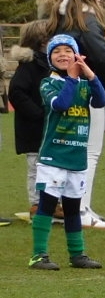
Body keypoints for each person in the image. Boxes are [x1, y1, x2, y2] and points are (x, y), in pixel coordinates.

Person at [43, 0, 105, 229]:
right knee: (89, 151)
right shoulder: (87, 21)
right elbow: (102, 56)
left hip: (64, 88)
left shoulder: (61, 19)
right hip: (85, 91)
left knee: (70, 150)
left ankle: (71, 207)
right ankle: (80, 209)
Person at [29, 34, 105, 270]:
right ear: (50, 58)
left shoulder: (83, 83)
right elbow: (61, 104)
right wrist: (72, 78)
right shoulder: (48, 83)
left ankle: (77, 255)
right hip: (53, 156)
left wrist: (90, 76)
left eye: (67, 50)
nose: (62, 55)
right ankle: (38, 255)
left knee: (73, 208)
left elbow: (101, 101)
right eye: (56, 51)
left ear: (76, 55)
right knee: (47, 205)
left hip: (76, 156)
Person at [7, 21, 49, 218]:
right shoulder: (30, 65)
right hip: (33, 128)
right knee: (36, 165)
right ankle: (37, 203)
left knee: (48, 165)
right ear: (42, 41)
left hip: (45, 126)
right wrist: (38, 114)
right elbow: (16, 93)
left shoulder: (46, 63)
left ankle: (50, 202)